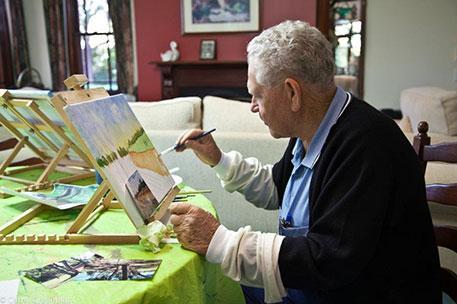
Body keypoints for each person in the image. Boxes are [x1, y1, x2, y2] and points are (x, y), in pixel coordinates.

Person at [169, 20, 440, 303]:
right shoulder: (314, 127)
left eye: (257, 94)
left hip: (362, 294)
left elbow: (327, 260)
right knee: (222, 289)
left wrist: (218, 240)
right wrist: (218, 159)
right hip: (322, 287)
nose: (252, 105)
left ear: (292, 93)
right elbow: (279, 186)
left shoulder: (365, 145)